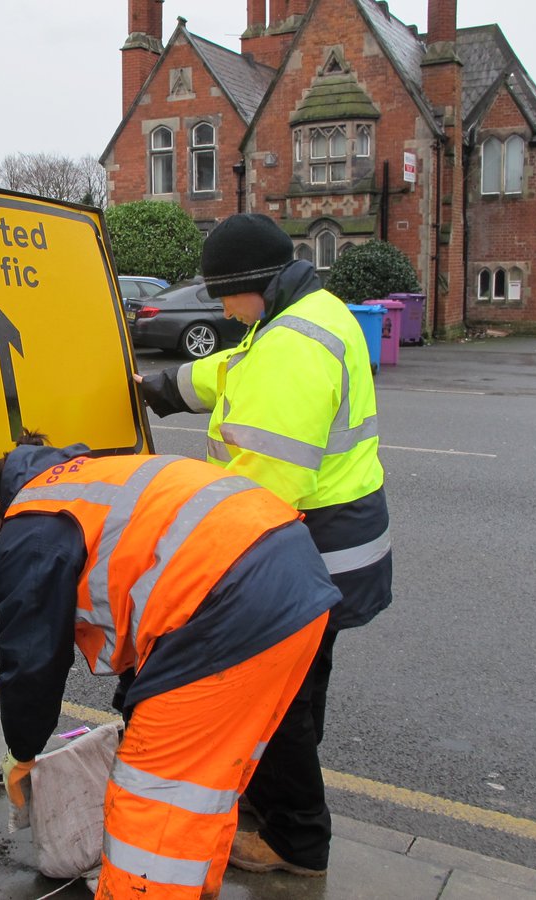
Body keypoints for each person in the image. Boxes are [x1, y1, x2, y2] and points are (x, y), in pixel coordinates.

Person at [134, 212, 393, 877]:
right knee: (300, 695)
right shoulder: (304, 315)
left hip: (305, 551)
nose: (221, 306)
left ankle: (296, 839)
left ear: (254, 282)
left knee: (274, 702)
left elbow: (261, 488)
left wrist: (190, 545)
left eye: (225, 292)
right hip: (339, 546)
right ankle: (276, 804)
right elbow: (234, 370)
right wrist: (161, 389)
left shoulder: (291, 346)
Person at [0, 432, 341, 899]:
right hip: (297, 578)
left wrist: (22, 750)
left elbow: (30, 658)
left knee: (151, 799)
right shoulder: (94, 474)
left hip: (228, 602)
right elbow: (146, 583)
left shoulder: (31, 520)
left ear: (0, 507)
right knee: (203, 785)